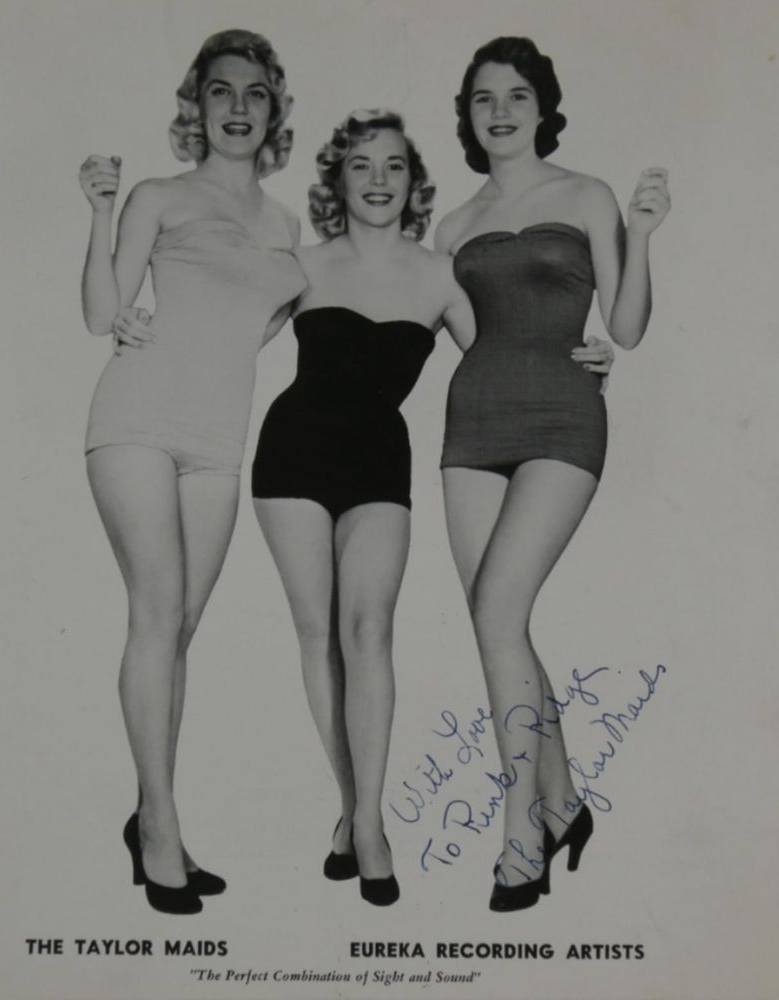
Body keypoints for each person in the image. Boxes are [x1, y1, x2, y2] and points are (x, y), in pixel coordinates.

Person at [250, 108, 612, 906]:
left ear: (413, 182)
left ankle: (373, 822)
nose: (377, 180)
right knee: (319, 637)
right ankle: (362, 818)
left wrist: (589, 354)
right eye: (360, 166)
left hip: (380, 464)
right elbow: (224, 330)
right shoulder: (300, 264)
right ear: (336, 181)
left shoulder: (443, 273)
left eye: (393, 166)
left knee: (369, 633)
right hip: (291, 456)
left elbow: (510, 346)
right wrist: (138, 324)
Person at [434, 36, 671, 911]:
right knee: (498, 624)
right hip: (471, 426)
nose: (499, 112)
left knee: (498, 615)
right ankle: (565, 803)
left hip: (563, 420)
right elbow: (458, 332)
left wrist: (640, 235)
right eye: (482, 98)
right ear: (466, 117)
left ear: (542, 109)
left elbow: (628, 327)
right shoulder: (450, 226)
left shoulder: (586, 194)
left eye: (516, 96)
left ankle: (519, 832)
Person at [78, 29, 305, 914]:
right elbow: (102, 310)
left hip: (219, 440)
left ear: (273, 109)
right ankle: (163, 834)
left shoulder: (287, 227)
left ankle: (149, 819)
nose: (237, 107)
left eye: (254, 93)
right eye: (220, 91)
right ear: (196, 106)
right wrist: (100, 212)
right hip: (136, 419)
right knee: (155, 612)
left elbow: (265, 325)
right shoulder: (159, 194)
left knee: (178, 633)